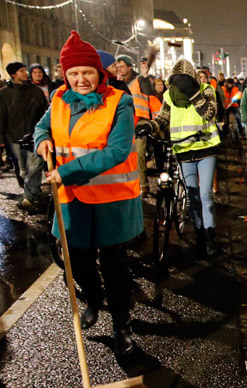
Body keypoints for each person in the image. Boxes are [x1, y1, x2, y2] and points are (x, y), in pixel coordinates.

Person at [34, 31, 142, 356]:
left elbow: (118, 151)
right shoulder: (58, 99)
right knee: (78, 264)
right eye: (74, 74)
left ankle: (122, 324)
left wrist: (64, 172)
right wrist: (42, 141)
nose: (81, 80)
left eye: (88, 72)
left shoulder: (119, 101)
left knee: (114, 268)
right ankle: (93, 299)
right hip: (71, 202)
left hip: (111, 201)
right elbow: (43, 126)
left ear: (100, 73)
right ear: (65, 76)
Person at [138, 59, 221, 255]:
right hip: (183, 151)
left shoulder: (205, 89)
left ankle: (210, 237)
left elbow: (209, 112)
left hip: (205, 148)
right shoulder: (168, 95)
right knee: (192, 198)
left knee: (205, 195)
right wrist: (149, 125)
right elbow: (163, 118)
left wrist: (193, 94)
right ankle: (200, 234)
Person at [0, 62, 49, 208]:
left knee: (35, 167)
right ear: (13, 74)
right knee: (23, 170)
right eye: (22, 71)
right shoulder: (4, 94)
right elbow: (1, 117)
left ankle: (29, 197)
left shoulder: (36, 91)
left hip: (34, 136)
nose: (25, 73)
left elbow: (45, 112)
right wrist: (2, 138)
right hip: (14, 137)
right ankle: (34, 192)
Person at [116, 54, 155, 195]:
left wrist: (145, 77)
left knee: (138, 152)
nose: (119, 69)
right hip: (125, 121)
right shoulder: (118, 82)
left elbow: (149, 92)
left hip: (140, 120)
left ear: (129, 67)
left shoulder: (140, 80)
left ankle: (143, 184)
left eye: (122, 66)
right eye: (117, 67)